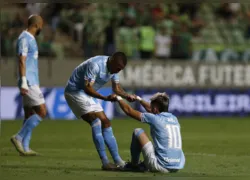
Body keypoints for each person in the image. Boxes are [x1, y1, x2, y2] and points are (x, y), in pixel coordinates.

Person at [64, 52, 136, 170]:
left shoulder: (113, 69)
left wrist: (126, 96)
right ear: (112, 61)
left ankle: (118, 161)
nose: (118, 71)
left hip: (86, 94)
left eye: (121, 69)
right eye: (118, 68)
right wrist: (105, 98)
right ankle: (105, 162)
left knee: (106, 122)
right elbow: (87, 88)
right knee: (95, 121)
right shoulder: (95, 65)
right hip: (75, 92)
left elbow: (116, 88)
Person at [115, 92, 185, 173]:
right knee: (161, 144)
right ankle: (145, 164)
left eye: (152, 106)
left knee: (138, 131)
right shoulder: (174, 118)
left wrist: (118, 98)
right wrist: (139, 99)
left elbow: (129, 111)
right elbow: (151, 110)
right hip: (177, 166)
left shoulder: (155, 119)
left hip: (161, 166)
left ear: (155, 108)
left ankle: (134, 165)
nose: (150, 108)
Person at [11, 15, 47, 156]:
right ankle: (18, 137)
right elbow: (22, 60)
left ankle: (25, 148)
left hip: (31, 80)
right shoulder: (25, 38)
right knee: (42, 111)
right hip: (29, 82)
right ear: (37, 25)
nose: (42, 28)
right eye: (41, 25)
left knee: (29, 114)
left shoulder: (30, 39)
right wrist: (24, 81)